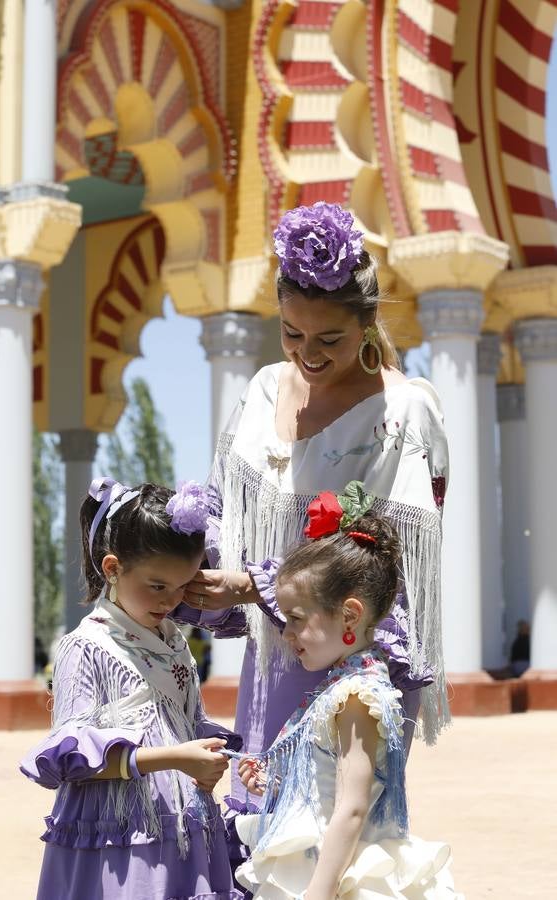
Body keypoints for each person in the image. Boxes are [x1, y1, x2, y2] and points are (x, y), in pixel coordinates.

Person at [176, 202, 449, 817]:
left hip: (349, 661)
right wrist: (183, 552)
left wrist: (256, 585)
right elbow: (223, 509)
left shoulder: (404, 413)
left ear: (368, 323)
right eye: (292, 334)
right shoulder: (263, 389)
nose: (308, 354)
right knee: (261, 827)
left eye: (330, 339)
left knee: (329, 826)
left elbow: (381, 566)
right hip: (273, 655)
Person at [20, 477, 244, 900]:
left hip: (182, 829)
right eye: (158, 586)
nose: (170, 601)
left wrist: (219, 757)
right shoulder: (86, 647)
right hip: (116, 840)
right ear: (112, 568)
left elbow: (187, 726)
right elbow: (73, 761)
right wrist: (177, 758)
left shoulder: (174, 642)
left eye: (183, 586)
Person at [233, 491, 461, 899]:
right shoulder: (344, 685)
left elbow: (353, 808)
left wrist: (319, 891)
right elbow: (328, 786)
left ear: (350, 615)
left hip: (337, 874)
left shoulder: (358, 696)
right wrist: (277, 785)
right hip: (328, 863)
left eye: (296, 619)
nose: (286, 634)